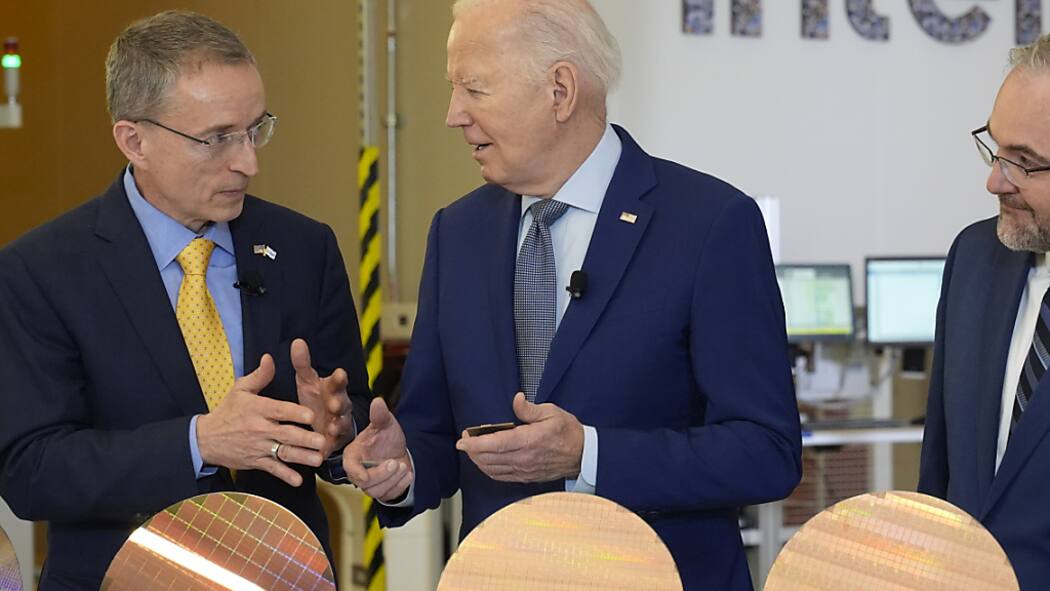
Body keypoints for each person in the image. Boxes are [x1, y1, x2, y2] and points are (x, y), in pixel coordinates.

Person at [342, 1, 802, 588]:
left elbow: (765, 451)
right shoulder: (458, 232)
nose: (453, 115)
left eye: (474, 89)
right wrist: (402, 465)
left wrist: (588, 454)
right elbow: (435, 430)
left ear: (560, 91)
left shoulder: (709, 224)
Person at [0, 11, 370, 589]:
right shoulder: (42, 271)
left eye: (255, 130)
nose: (248, 162)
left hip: (283, 573)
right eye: (217, 139)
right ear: (135, 141)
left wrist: (336, 431)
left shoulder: (304, 248)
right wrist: (199, 442)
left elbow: (350, 419)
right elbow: (32, 471)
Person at [919, 34, 1050, 590]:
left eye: (1025, 163)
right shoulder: (974, 258)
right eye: (995, 148)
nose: (995, 180)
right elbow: (940, 471)